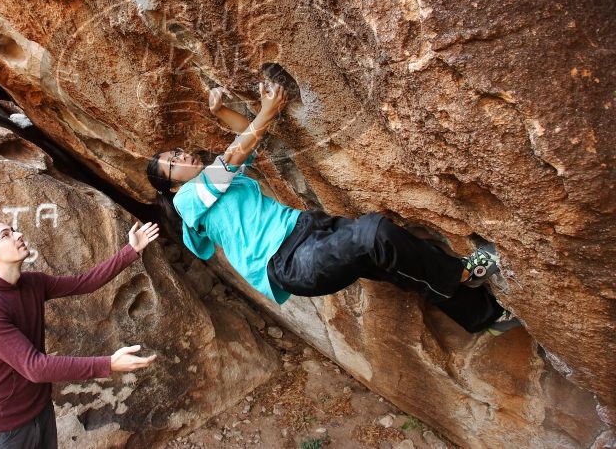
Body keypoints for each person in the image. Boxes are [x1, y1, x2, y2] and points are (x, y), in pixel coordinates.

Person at [146, 80, 520, 336]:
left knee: (399, 266)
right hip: (290, 262)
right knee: (375, 233)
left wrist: (224, 111)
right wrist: (269, 107)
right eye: (172, 163)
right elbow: (235, 151)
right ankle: (460, 274)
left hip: (311, 229)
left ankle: (485, 318)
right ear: (173, 183)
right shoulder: (187, 200)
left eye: (176, 152)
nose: (180, 156)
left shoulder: (225, 182)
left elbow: (249, 138)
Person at [0, 220, 160, 448]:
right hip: (3, 431)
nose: (19, 234)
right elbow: (35, 367)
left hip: (40, 412)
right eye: (6, 235)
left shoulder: (32, 283)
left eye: (14, 230)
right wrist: (109, 364)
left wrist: (131, 250)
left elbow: (85, 283)